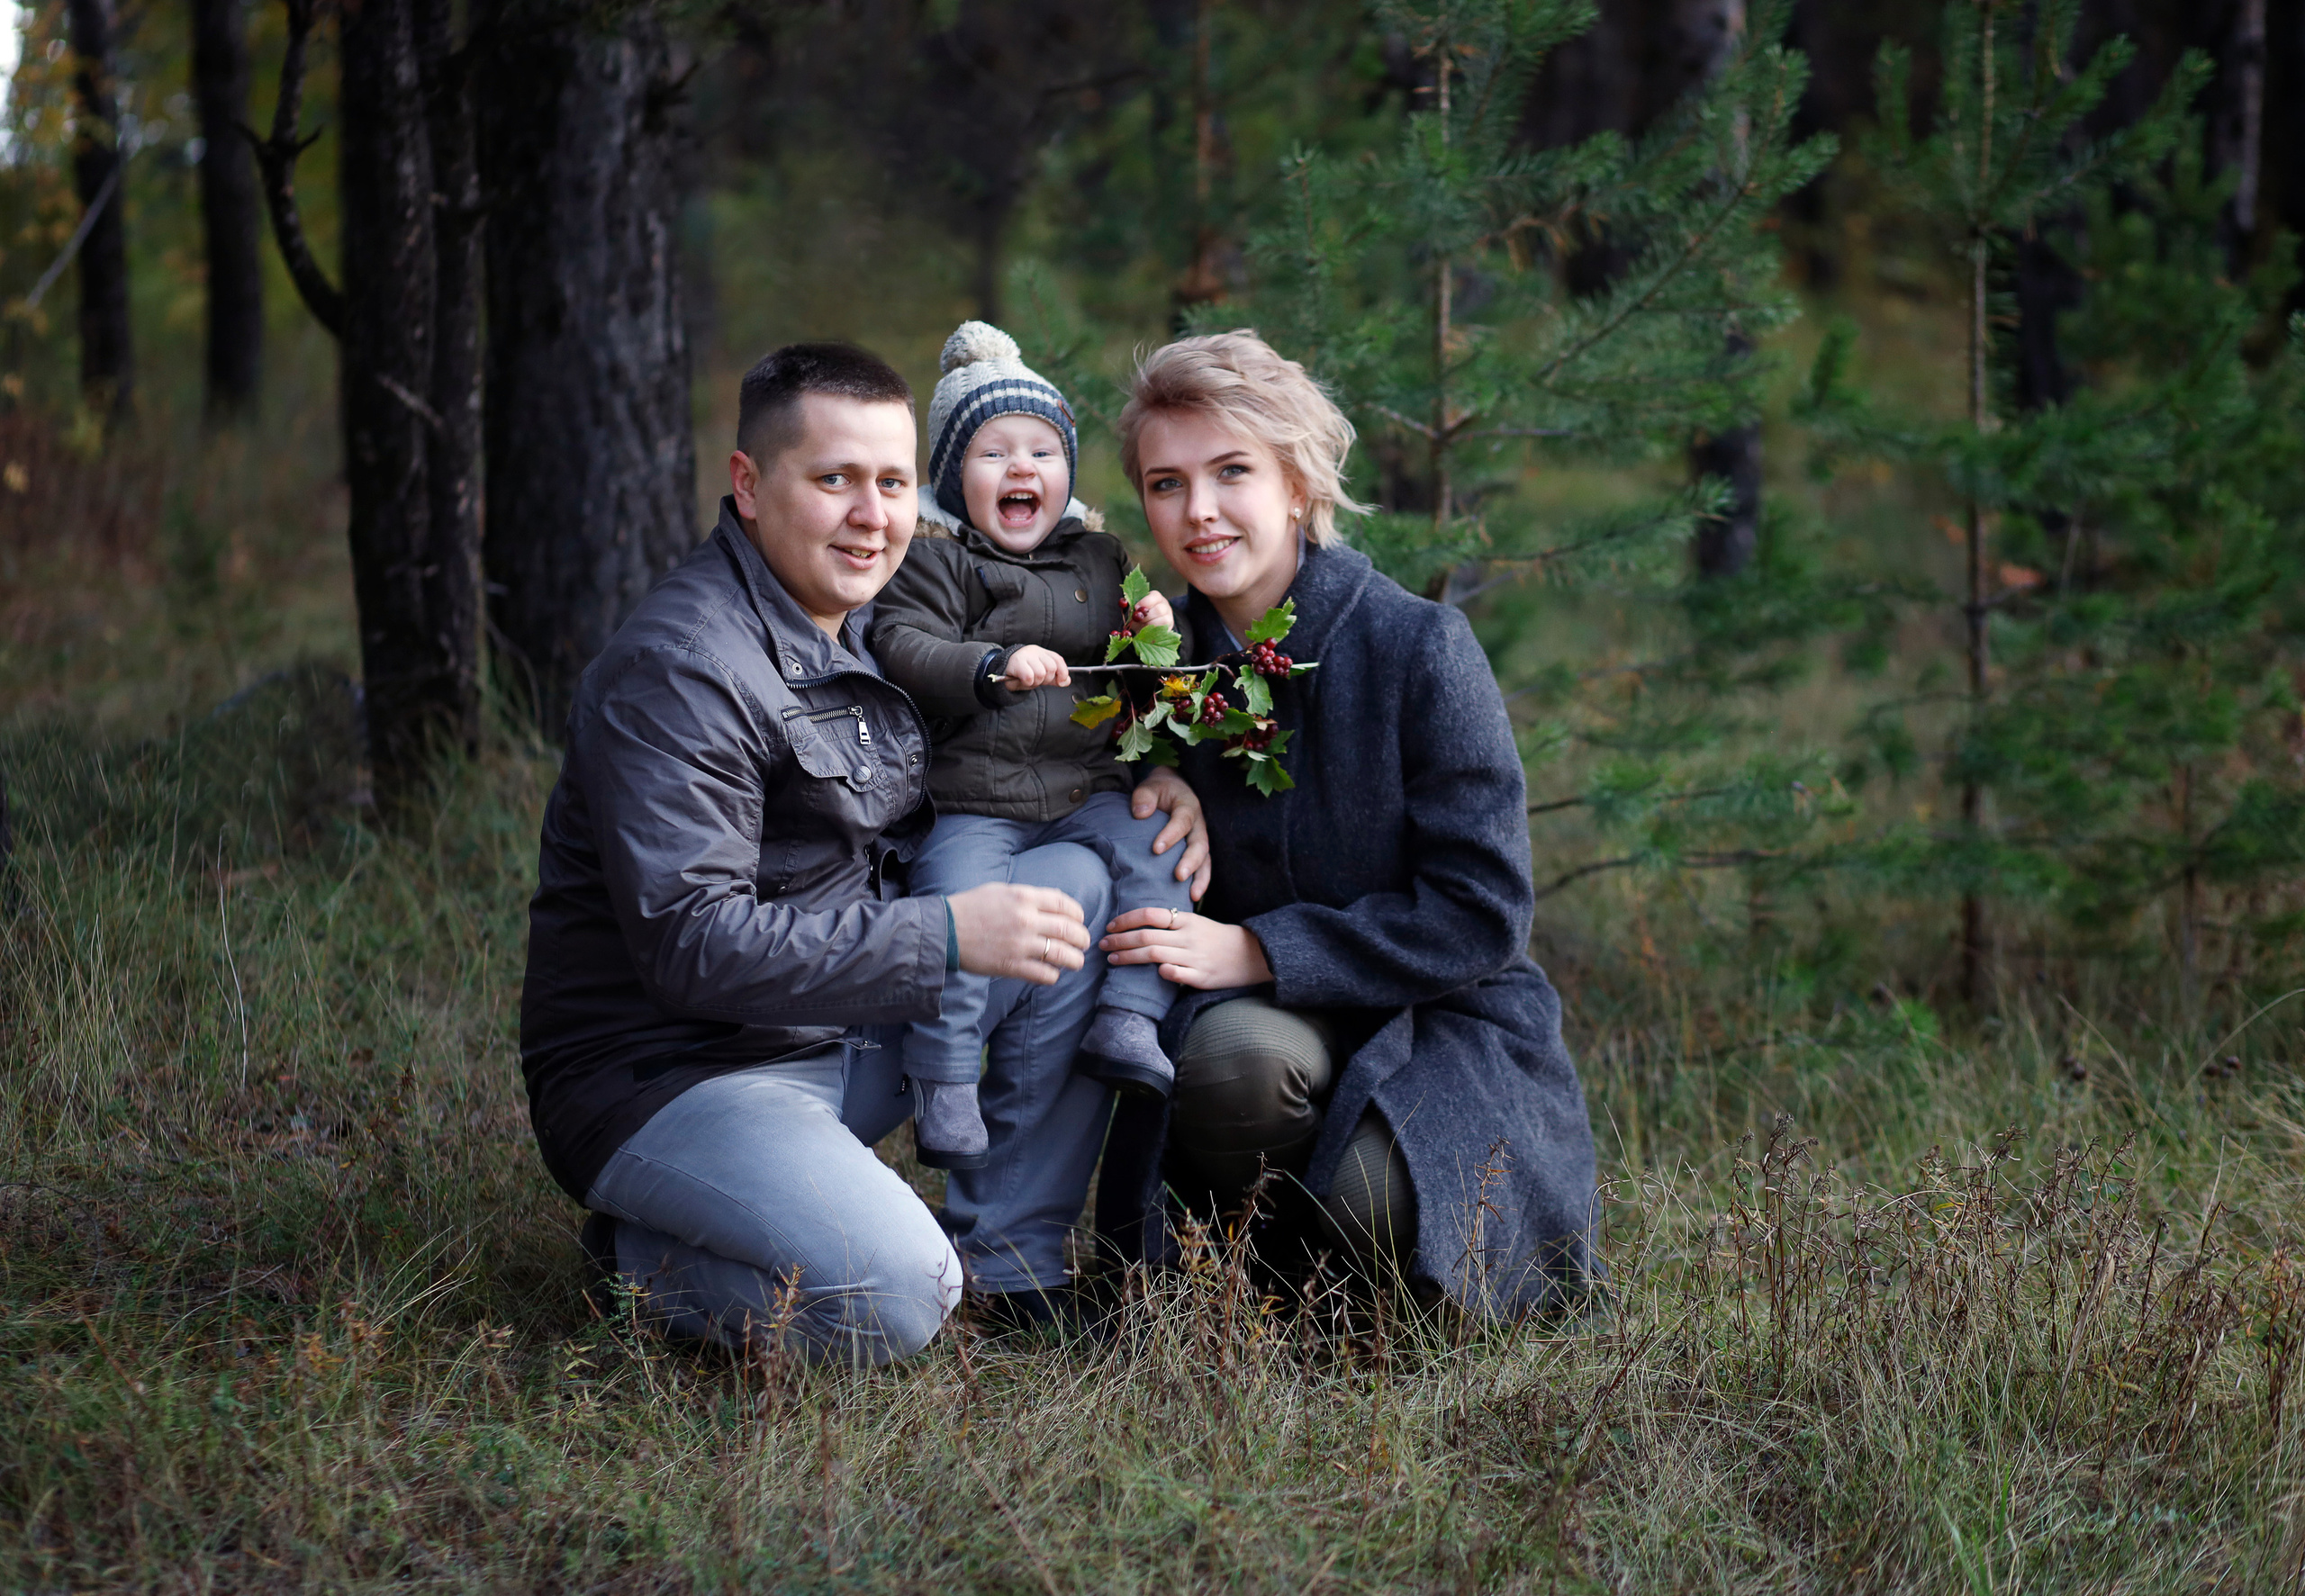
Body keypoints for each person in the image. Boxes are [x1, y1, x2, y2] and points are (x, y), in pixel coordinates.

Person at [519, 341, 1208, 1364]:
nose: (870, 515)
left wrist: (1154, 773)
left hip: (827, 1030)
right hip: (673, 1072)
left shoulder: (864, 621)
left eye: (889, 483)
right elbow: (691, 947)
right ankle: (639, 1257)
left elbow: (994, 773)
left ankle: (1014, 1265)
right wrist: (940, 934)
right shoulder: (682, 669)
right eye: (833, 479)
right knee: (899, 1299)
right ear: (750, 486)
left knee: (1071, 887)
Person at [1092, 331, 1599, 1313]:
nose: (1197, 511)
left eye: (1230, 471)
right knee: (1237, 1067)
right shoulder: (1142, 658)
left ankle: (1340, 1291)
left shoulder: (1416, 647)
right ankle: (1236, 1292)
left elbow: (1482, 913)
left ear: (1295, 483)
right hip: (1257, 1032)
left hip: (1442, 1016)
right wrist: (1145, 775)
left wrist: (1258, 949)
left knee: (1374, 1207)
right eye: (1165, 483)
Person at [869, 321, 1198, 1170]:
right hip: (971, 797)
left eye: (1044, 452)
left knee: (1159, 857)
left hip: (1082, 786)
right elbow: (901, 644)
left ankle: (1129, 1015)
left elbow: (1130, 671)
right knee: (958, 917)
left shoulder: (1098, 554)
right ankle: (943, 1082)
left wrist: (1152, 627)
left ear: (1068, 472)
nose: (1023, 470)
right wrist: (990, 664)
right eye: (994, 454)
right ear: (950, 476)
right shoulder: (936, 559)